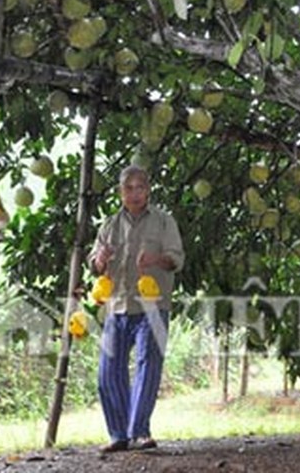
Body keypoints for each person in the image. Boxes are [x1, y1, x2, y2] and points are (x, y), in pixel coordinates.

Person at [87, 164, 185, 453]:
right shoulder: (109, 225)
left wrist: (156, 259)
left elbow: (177, 259)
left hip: (152, 305)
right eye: (129, 188)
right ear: (121, 192)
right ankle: (119, 435)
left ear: (149, 190)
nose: (135, 193)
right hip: (116, 305)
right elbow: (94, 265)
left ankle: (140, 432)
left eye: (140, 187)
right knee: (108, 372)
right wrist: (100, 260)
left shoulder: (164, 222)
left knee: (148, 366)